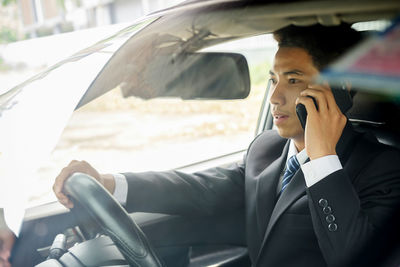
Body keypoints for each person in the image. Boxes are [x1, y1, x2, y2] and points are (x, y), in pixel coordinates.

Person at [53, 24, 400, 266]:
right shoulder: (266, 148)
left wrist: (323, 158)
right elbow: (201, 189)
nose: (275, 98)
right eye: (273, 80)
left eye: (293, 80)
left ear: (342, 86)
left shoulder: (383, 169)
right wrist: (111, 183)